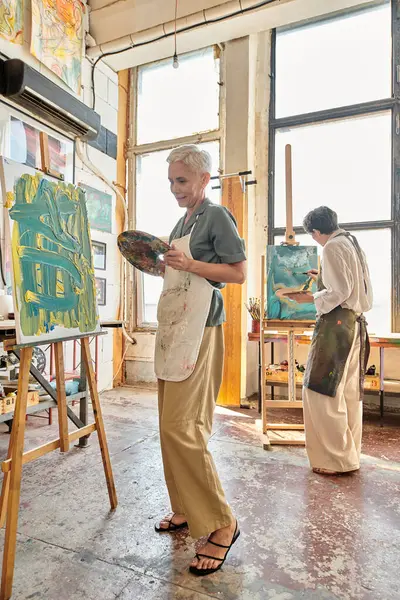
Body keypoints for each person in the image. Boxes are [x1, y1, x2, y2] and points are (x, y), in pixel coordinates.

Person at [154, 144, 246, 575]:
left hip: (201, 330)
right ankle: (188, 509)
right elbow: (187, 268)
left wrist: (188, 264)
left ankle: (222, 522)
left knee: (183, 427)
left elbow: (237, 272)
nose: (175, 188)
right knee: (168, 427)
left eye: (182, 180)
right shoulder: (182, 220)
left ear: (204, 179)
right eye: (171, 180)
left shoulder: (216, 216)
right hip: (177, 327)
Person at [293, 206, 372, 475]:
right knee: (347, 392)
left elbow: (340, 291)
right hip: (354, 324)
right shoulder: (351, 241)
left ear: (316, 231)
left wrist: (310, 298)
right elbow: (350, 284)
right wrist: (321, 279)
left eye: (312, 235)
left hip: (337, 326)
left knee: (321, 391)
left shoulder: (331, 248)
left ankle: (334, 460)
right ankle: (350, 456)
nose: (314, 240)